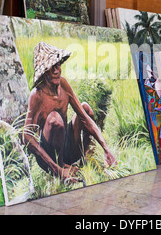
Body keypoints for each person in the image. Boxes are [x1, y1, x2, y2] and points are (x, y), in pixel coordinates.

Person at [22, 42, 117, 184]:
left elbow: (84, 117)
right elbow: (26, 136)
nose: (56, 70)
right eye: (51, 67)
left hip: (67, 146)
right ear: (44, 71)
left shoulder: (63, 84)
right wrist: (58, 170)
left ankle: (87, 160)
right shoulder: (37, 95)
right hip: (51, 154)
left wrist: (106, 148)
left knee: (85, 108)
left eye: (58, 64)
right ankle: (61, 169)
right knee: (55, 119)